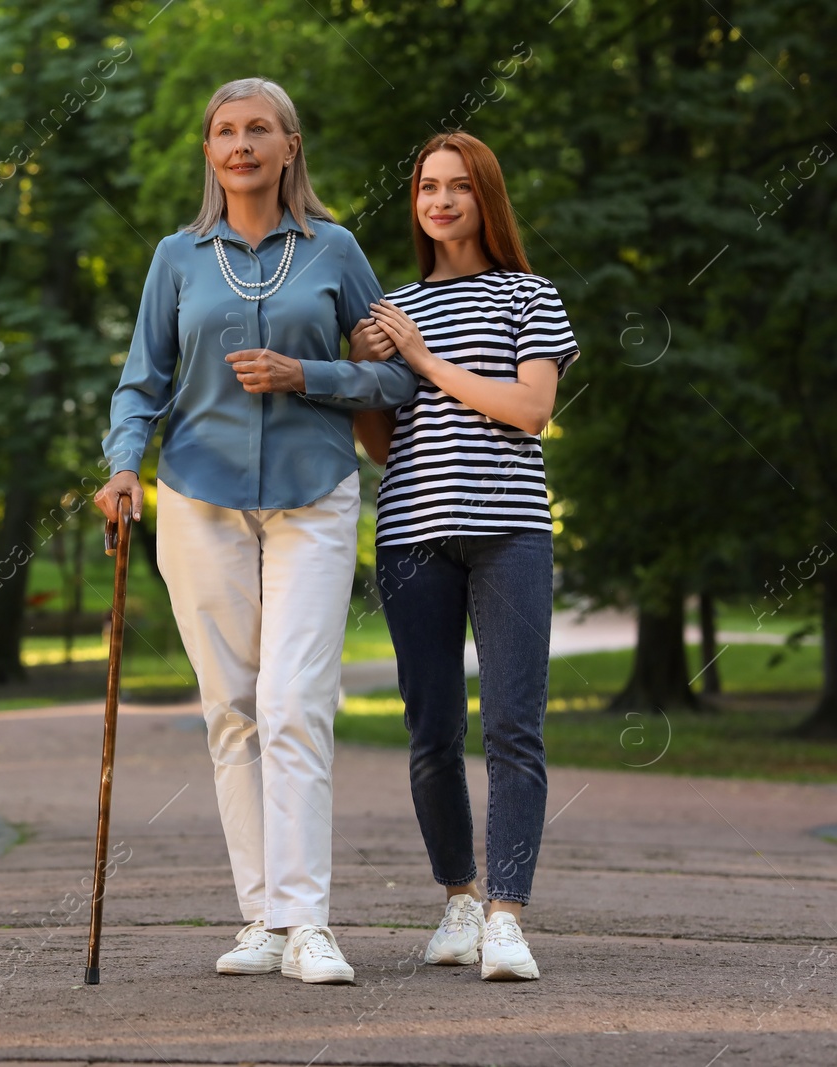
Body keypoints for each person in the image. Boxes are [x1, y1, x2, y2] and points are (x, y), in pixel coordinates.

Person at [94, 77, 416, 984]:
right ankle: (262, 919)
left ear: (289, 147)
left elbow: (396, 381)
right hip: (199, 498)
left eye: (259, 130)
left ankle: (310, 921)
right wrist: (124, 464)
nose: (241, 145)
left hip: (315, 497)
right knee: (232, 705)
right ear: (209, 152)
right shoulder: (176, 257)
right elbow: (140, 383)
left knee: (293, 703)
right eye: (226, 131)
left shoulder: (339, 250)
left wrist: (308, 373)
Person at [349, 131, 579, 981]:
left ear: (487, 196)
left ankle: (507, 913)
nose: (440, 201)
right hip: (412, 534)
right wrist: (360, 365)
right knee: (431, 730)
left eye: (458, 187)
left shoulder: (530, 293)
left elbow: (530, 409)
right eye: (426, 188)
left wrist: (417, 356)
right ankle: (457, 897)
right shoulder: (392, 307)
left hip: (510, 532)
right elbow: (382, 444)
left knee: (515, 726)